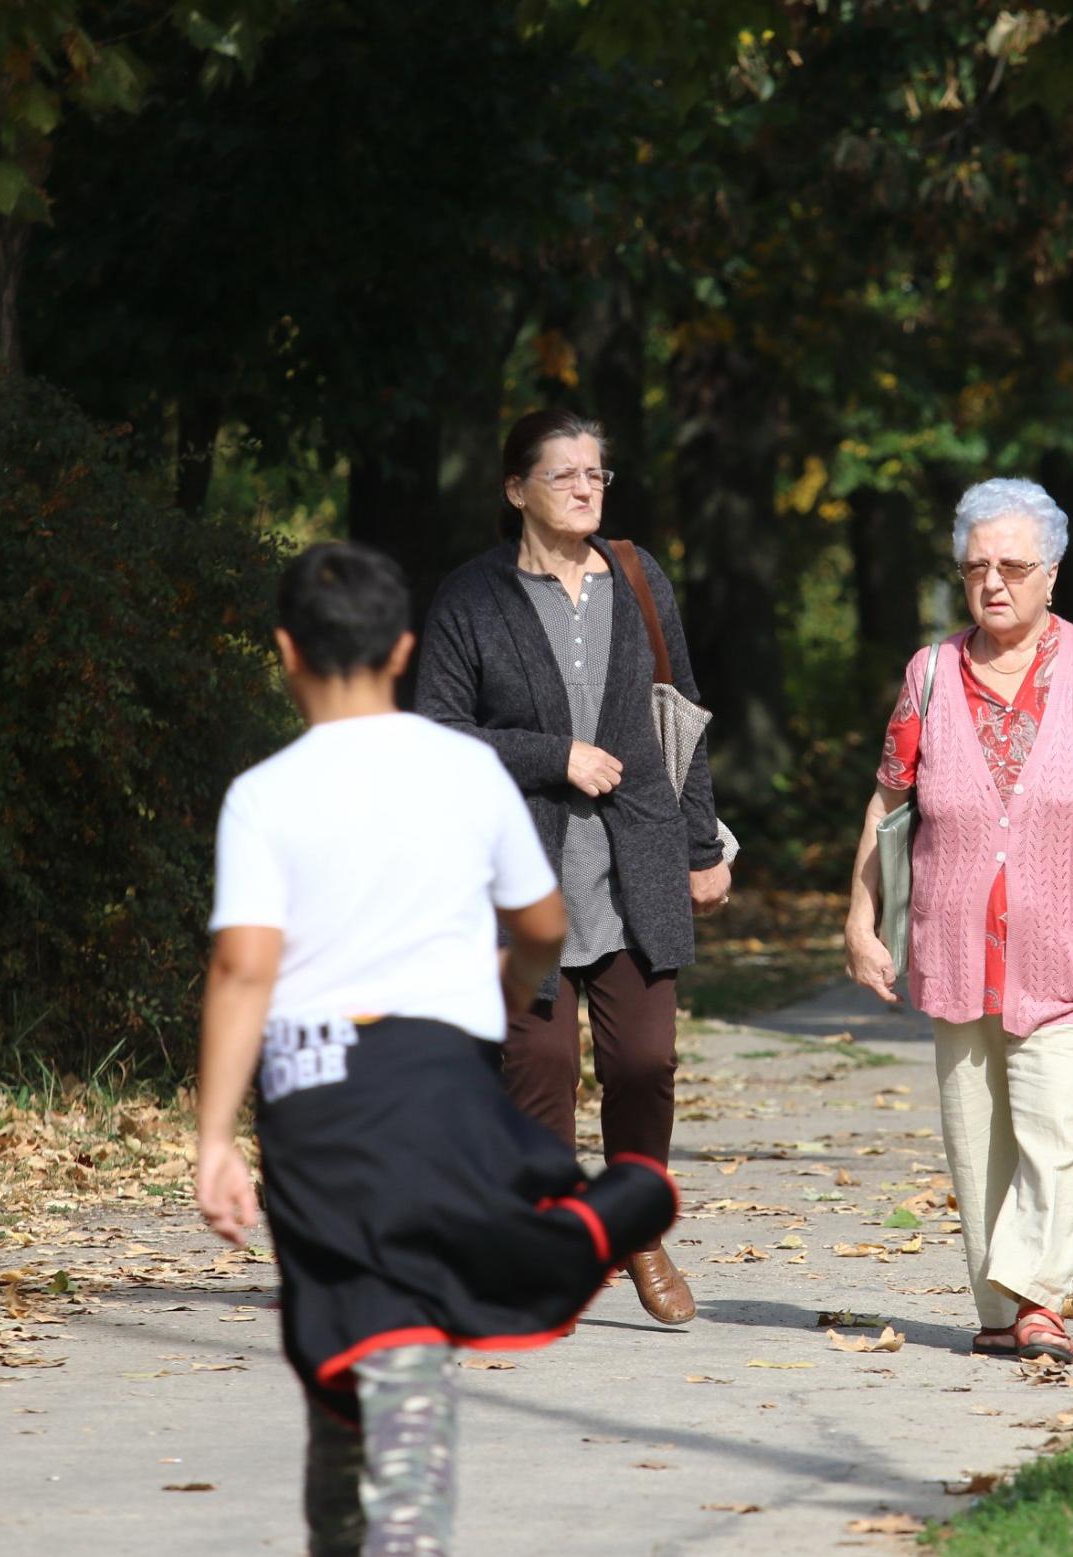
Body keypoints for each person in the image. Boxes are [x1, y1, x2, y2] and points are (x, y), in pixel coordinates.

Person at [194, 542, 679, 1557]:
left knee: (338, 1328)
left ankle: (350, 1529)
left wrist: (213, 1142)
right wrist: (505, 993)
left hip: (312, 1099)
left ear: (285, 652)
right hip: (435, 1091)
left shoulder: (263, 795)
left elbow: (243, 970)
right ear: (405, 647)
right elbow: (542, 923)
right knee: (407, 1337)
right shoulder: (463, 771)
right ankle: (402, 1531)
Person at [842, 477, 1073, 1367]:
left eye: (1012, 566)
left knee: (1055, 1127)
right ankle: (1001, 1308)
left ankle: (1040, 1298)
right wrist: (860, 915)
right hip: (957, 951)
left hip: (1072, 945)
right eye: (976, 568)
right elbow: (890, 803)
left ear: (1052, 575)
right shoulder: (927, 676)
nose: (993, 583)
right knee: (976, 1138)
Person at [415, 409, 729, 1327]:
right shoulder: (472, 597)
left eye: (597, 474)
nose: (586, 488)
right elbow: (437, 734)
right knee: (541, 1066)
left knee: (645, 1060)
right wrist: (555, 754)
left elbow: (682, 714)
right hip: (523, 872)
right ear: (517, 489)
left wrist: (704, 846)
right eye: (565, 476)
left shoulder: (637, 578)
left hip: (637, 859)